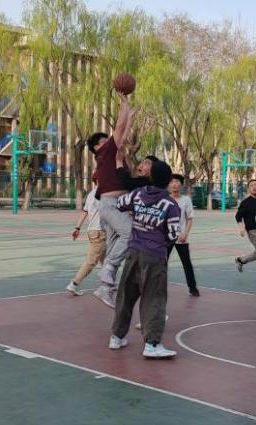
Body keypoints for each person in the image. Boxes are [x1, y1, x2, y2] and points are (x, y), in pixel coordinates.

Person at [108, 161, 181, 359]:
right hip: (154, 255)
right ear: (168, 180)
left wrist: (137, 215)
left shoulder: (138, 194)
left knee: (126, 295)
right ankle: (152, 344)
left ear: (150, 177)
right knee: (154, 298)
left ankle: (116, 336)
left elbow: (119, 204)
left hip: (133, 251)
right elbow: (173, 234)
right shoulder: (170, 205)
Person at [87, 94, 137, 308]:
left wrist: (130, 118)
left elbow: (122, 136)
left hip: (118, 205)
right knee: (131, 234)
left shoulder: (110, 153)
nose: (110, 140)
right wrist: (124, 104)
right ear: (98, 146)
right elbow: (119, 128)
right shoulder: (105, 152)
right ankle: (107, 270)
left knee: (116, 242)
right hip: (110, 204)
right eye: (105, 140)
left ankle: (105, 288)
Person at [66, 176, 106, 296]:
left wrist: (77, 228)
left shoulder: (91, 194)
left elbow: (85, 212)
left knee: (107, 260)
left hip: (93, 231)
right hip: (99, 232)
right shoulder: (103, 194)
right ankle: (74, 284)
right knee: (92, 260)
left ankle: (109, 285)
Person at [168, 174, 199, 297]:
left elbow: (189, 218)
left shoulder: (186, 200)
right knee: (161, 264)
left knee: (187, 263)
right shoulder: (165, 199)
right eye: (171, 182)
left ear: (181, 185)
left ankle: (193, 288)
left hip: (181, 237)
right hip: (166, 237)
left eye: (176, 182)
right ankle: (157, 287)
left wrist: (185, 233)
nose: (174, 184)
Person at [234, 179, 256, 278]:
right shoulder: (246, 203)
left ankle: (241, 260)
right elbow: (238, 216)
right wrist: (241, 227)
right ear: (248, 189)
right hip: (253, 230)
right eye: (251, 185)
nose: (254, 187)